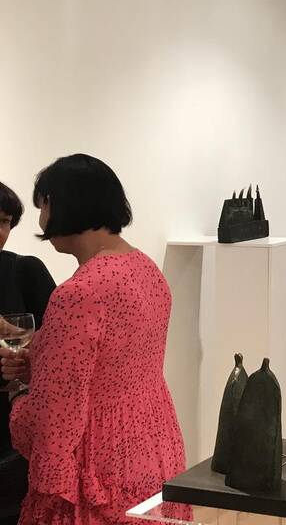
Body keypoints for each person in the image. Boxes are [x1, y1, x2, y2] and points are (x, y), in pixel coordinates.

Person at [0, 154, 185, 525]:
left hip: (98, 469)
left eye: (42, 206)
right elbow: (111, 367)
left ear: (61, 204)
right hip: (153, 448)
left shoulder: (79, 294)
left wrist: (19, 390)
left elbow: (52, 425)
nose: (40, 220)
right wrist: (40, 361)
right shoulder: (145, 269)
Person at [0, 182, 56, 525]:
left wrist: (13, 335)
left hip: (13, 435)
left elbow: (59, 348)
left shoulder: (25, 271)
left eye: (4, 222)